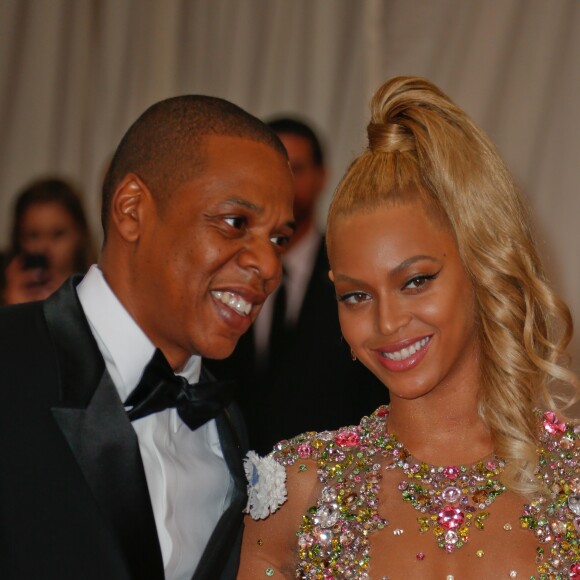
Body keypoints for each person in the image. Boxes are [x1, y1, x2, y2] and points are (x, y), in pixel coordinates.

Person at [238, 77, 580, 578]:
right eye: (356, 295)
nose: (387, 322)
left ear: (481, 268)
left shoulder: (571, 481)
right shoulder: (294, 493)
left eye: (416, 281)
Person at [0, 95, 295, 579]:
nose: (268, 266)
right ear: (132, 210)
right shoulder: (10, 362)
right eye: (235, 223)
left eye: (279, 239)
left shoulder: (228, 427)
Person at [206, 117, 387, 455]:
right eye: (270, 170)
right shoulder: (220, 270)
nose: (283, 183)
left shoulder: (353, 270)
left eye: (296, 169)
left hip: (331, 477)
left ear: (321, 177)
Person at [1, 177, 95, 304]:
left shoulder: (98, 294)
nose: (44, 247)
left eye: (57, 234)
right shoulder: (9, 293)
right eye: (33, 235)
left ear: (80, 234)